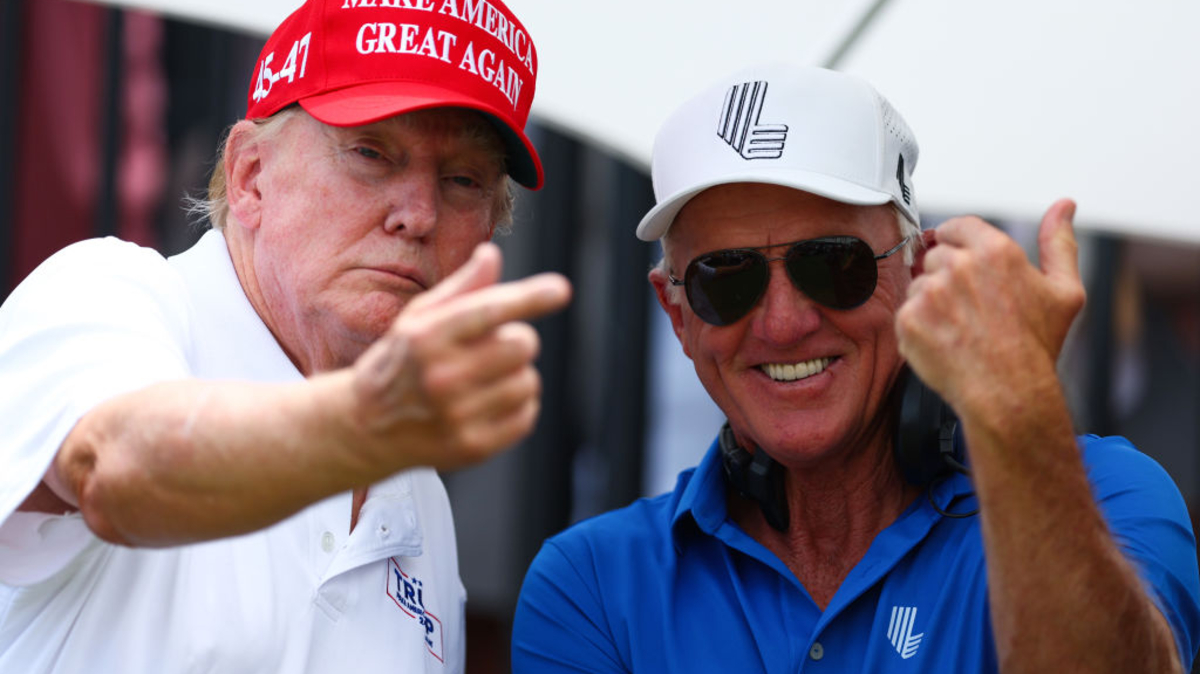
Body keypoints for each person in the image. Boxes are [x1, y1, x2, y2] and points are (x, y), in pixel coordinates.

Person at [511, 63, 1200, 672]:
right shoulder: (591, 585)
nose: (783, 324)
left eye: (833, 266)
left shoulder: (1107, 499)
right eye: (727, 279)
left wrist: (1018, 411)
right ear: (678, 315)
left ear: (920, 274)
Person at [0, 0, 570, 671]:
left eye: (464, 179)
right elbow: (112, 468)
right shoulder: (112, 293)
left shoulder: (418, 486)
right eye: (371, 152)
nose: (419, 214)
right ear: (251, 175)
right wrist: (364, 427)